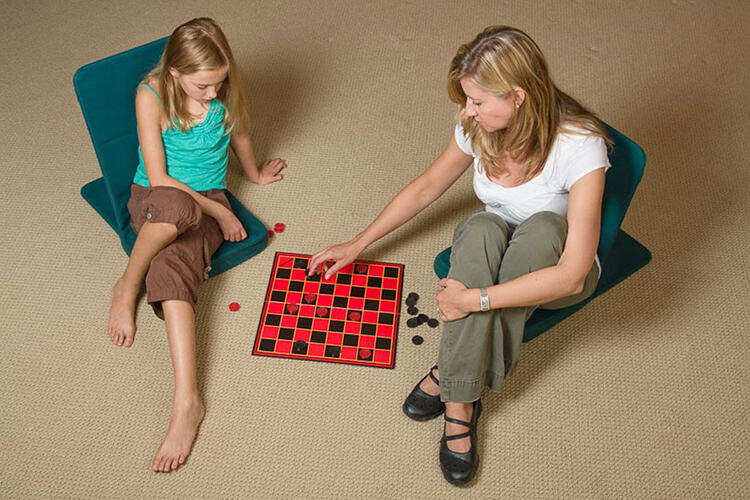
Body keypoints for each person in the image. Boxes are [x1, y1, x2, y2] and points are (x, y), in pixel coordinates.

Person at [309, 25, 611, 485]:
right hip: (497, 246)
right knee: (481, 226)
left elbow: (571, 276)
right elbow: (428, 186)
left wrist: (475, 302)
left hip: (551, 265)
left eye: (477, 101)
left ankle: (455, 399)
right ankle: (462, 394)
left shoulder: (579, 145)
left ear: (518, 96)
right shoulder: (478, 125)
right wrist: (358, 243)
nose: (466, 111)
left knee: (545, 226)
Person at [106, 18, 286, 472]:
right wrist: (223, 212)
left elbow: (240, 134)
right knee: (180, 208)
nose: (213, 93)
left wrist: (253, 174)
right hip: (155, 196)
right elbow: (162, 176)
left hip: (206, 197)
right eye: (203, 85)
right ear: (174, 75)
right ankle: (127, 286)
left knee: (172, 271)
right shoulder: (150, 95)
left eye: (219, 83)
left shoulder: (223, 92)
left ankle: (187, 402)